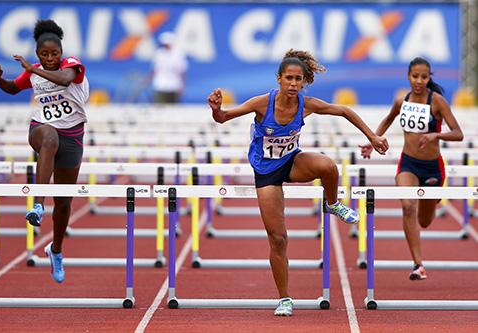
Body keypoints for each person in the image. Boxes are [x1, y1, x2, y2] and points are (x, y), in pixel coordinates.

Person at [207, 49, 389, 316]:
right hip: (266, 171)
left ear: (304, 82)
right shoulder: (261, 103)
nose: (293, 84)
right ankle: (284, 299)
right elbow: (223, 118)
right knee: (278, 238)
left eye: (298, 79)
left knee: (327, 165)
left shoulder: (307, 103)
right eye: (289, 78)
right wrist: (216, 109)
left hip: (292, 162)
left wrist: (373, 137)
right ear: (279, 79)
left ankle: (333, 203)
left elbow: (344, 111)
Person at [0, 19, 89, 283]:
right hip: (42, 129)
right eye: (44, 55)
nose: (50, 58)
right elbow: (13, 88)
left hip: (73, 136)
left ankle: (55, 250)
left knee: (65, 203)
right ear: (37, 54)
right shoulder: (33, 72)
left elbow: (66, 81)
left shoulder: (72, 65)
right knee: (49, 138)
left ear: (61, 52)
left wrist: (33, 70)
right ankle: (37, 204)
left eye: (54, 53)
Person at [359, 57, 463, 281]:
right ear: (408, 76)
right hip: (408, 164)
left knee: (425, 221)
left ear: (429, 78)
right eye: (415, 76)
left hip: (433, 168)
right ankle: (418, 264)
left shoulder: (437, 102)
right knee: (407, 206)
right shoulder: (401, 100)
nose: (419, 81)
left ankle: (431, 205)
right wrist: (373, 140)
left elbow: (458, 133)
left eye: (424, 77)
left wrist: (437, 134)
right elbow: (388, 119)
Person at [150, 31, 188, 104]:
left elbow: (182, 71)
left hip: (174, 85)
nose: (166, 45)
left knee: (173, 109)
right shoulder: (158, 54)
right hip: (160, 85)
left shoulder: (178, 55)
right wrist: (148, 79)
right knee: (159, 107)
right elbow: (155, 69)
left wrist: (182, 86)